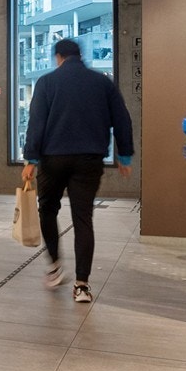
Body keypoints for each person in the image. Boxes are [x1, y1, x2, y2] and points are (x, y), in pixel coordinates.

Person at [22, 38, 134, 303]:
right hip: (89, 159)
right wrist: (125, 156)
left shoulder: (47, 83)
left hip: (53, 159)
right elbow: (122, 119)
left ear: (58, 57)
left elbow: (36, 122)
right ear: (79, 56)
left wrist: (30, 160)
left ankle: (54, 266)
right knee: (83, 218)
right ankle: (82, 285)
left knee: (47, 209)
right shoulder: (102, 82)